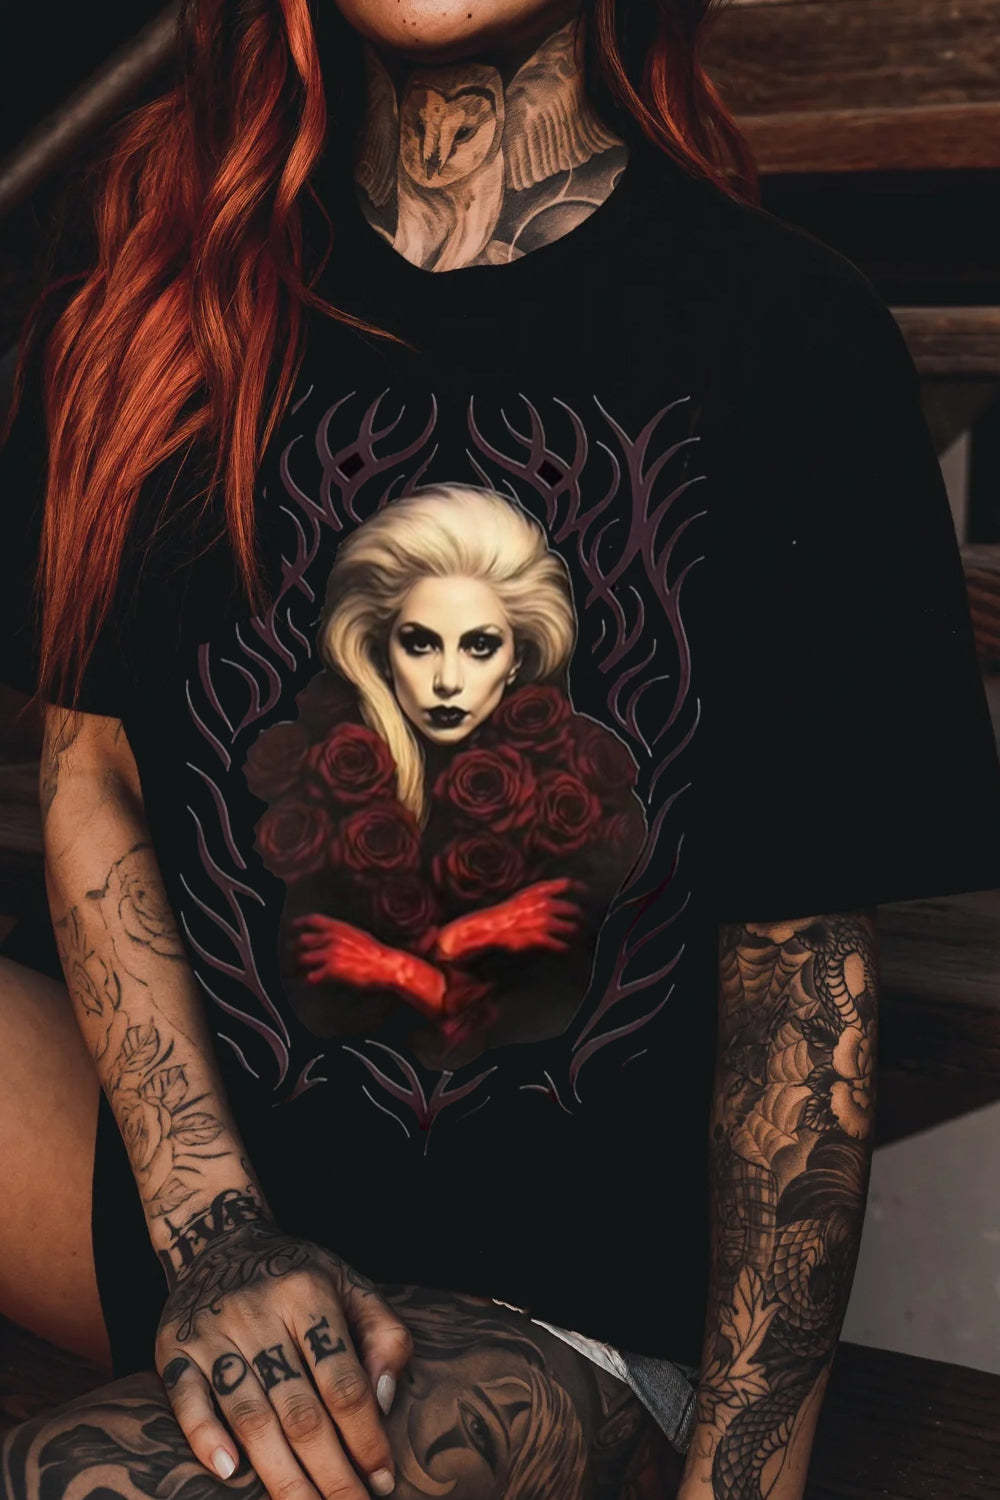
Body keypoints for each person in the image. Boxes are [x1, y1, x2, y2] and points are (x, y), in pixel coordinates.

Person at [2, 2, 1000, 1498]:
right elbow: (94, 778)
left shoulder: (781, 329)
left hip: (554, 1312)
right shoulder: (165, 302)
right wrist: (214, 1232)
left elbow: (798, 974)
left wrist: (740, 1478)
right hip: (213, 1209)